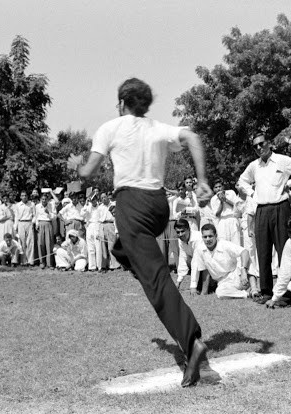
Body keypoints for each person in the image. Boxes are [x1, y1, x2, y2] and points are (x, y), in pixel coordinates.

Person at [69, 78, 212, 387]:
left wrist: (76, 164)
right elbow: (193, 137)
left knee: (157, 281)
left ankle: (191, 343)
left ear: (122, 102)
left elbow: (87, 172)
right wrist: (202, 180)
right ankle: (140, 265)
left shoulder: (110, 128)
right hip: (158, 206)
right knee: (121, 250)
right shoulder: (158, 128)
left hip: (131, 204)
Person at [238, 134, 291, 304]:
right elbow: (241, 181)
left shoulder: (281, 160)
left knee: (284, 251)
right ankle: (266, 292)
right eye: (255, 146)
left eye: (262, 144)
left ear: (269, 143)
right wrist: (252, 193)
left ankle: (285, 295)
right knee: (263, 251)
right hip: (262, 210)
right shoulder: (253, 166)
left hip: (281, 208)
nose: (259, 148)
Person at [189, 224, 252, 299]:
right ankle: (247, 294)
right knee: (220, 293)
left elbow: (244, 252)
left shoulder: (224, 244)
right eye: (205, 237)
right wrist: (202, 291)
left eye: (210, 236)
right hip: (223, 281)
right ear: (202, 237)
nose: (208, 239)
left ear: (216, 236)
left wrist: (243, 271)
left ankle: (253, 286)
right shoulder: (200, 250)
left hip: (237, 274)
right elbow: (205, 271)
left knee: (251, 262)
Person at [210, 179, 241, 245]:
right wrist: (221, 201)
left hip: (232, 218)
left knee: (236, 241)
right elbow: (217, 214)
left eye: (220, 186)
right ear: (213, 189)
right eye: (216, 187)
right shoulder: (213, 199)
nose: (218, 189)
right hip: (222, 221)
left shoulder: (231, 192)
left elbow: (237, 206)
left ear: (223, 187)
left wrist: (226, 200)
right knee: (224, 243)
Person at [174, 219, 201, 289]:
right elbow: (182, 258)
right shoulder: (181, 240)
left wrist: (193, 286)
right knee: (188, 260)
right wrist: (178, 282)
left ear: (189, 229)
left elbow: (196, 262)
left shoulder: (197, 238)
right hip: (199, 262)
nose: (180, 235)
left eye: (182, 231)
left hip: (212, 263)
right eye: (178, 232)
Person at [81, 193, 103, 271]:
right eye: (92, 200)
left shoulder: (100, 207)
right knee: (90, 248)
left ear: (97, 200)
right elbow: (82, 214)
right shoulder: (88, 207)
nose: (93, 201)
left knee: (98, 248)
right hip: (89, 227)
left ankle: (99, 266)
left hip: (97, 226)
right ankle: (92, 266)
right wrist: (86, 205)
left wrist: (99, 230)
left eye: (95, 200)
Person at [99, 192, 120, 271]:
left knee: (111, 245)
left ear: (107, 197)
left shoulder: (113, 204)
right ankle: (104, 265)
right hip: (102, 225)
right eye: (102, 198)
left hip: (110, 224)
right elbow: (98, 218)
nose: (103, 199)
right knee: (103, 246)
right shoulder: (100, 207)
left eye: (104, 197)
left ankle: (115, 265)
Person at [14, 190, 36, 265]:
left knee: (30, 242)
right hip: (21, 223)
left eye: (25, 195)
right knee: (21, 242)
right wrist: (15, 227)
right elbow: (16, 217)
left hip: (29, 222)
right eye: (22, 195)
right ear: (20, 197)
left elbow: (34, 215)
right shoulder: (17, 205)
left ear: (27, 196)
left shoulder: (31, 204)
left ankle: (30, 261)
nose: (24, 197)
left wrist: (33, 223)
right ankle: (23, 261)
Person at [34, 193, 55, 269]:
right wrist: (37, 224)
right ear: (40, 200)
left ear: (48, 200)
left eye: (45, 199)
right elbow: (36, 216)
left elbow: (54, 217)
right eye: (42, 199)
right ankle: (42, 262)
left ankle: (50, 263)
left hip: (48, 223)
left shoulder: (51, 206)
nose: (44, 200)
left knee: (49, 244)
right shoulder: (37, 206)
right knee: (40, 244)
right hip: (40, 223)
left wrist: (48, 213)